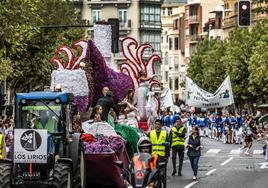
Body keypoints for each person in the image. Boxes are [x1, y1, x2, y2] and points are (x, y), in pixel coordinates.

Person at [149, 119, 169, 188]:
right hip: (153, 156)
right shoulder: (151, 133)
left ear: (161, 125)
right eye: (156, 124)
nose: (157, 125)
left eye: (158, 124)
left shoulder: (165, 133)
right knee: (153, 174)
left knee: (162, 174)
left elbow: (167, 147)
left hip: (162, 156)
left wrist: (167, 157)